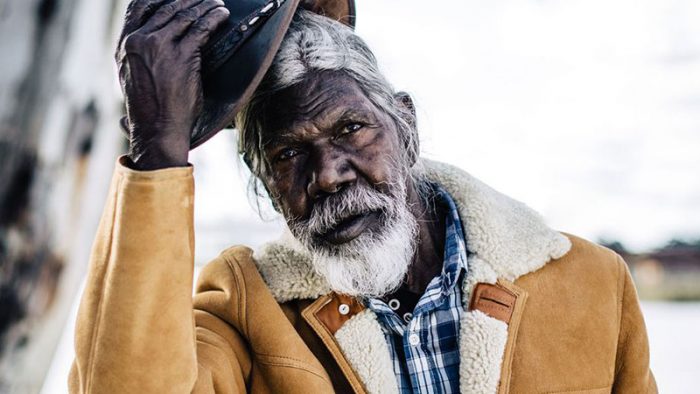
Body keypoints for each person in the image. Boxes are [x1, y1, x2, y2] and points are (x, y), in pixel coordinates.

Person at [69, 1, 657, 393]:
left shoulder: (592, 284)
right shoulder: (244, 308)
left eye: (350, 128)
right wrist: (157, 149)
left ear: (406, 126)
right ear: (267, 188)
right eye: (287, 155)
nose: (327, 174)